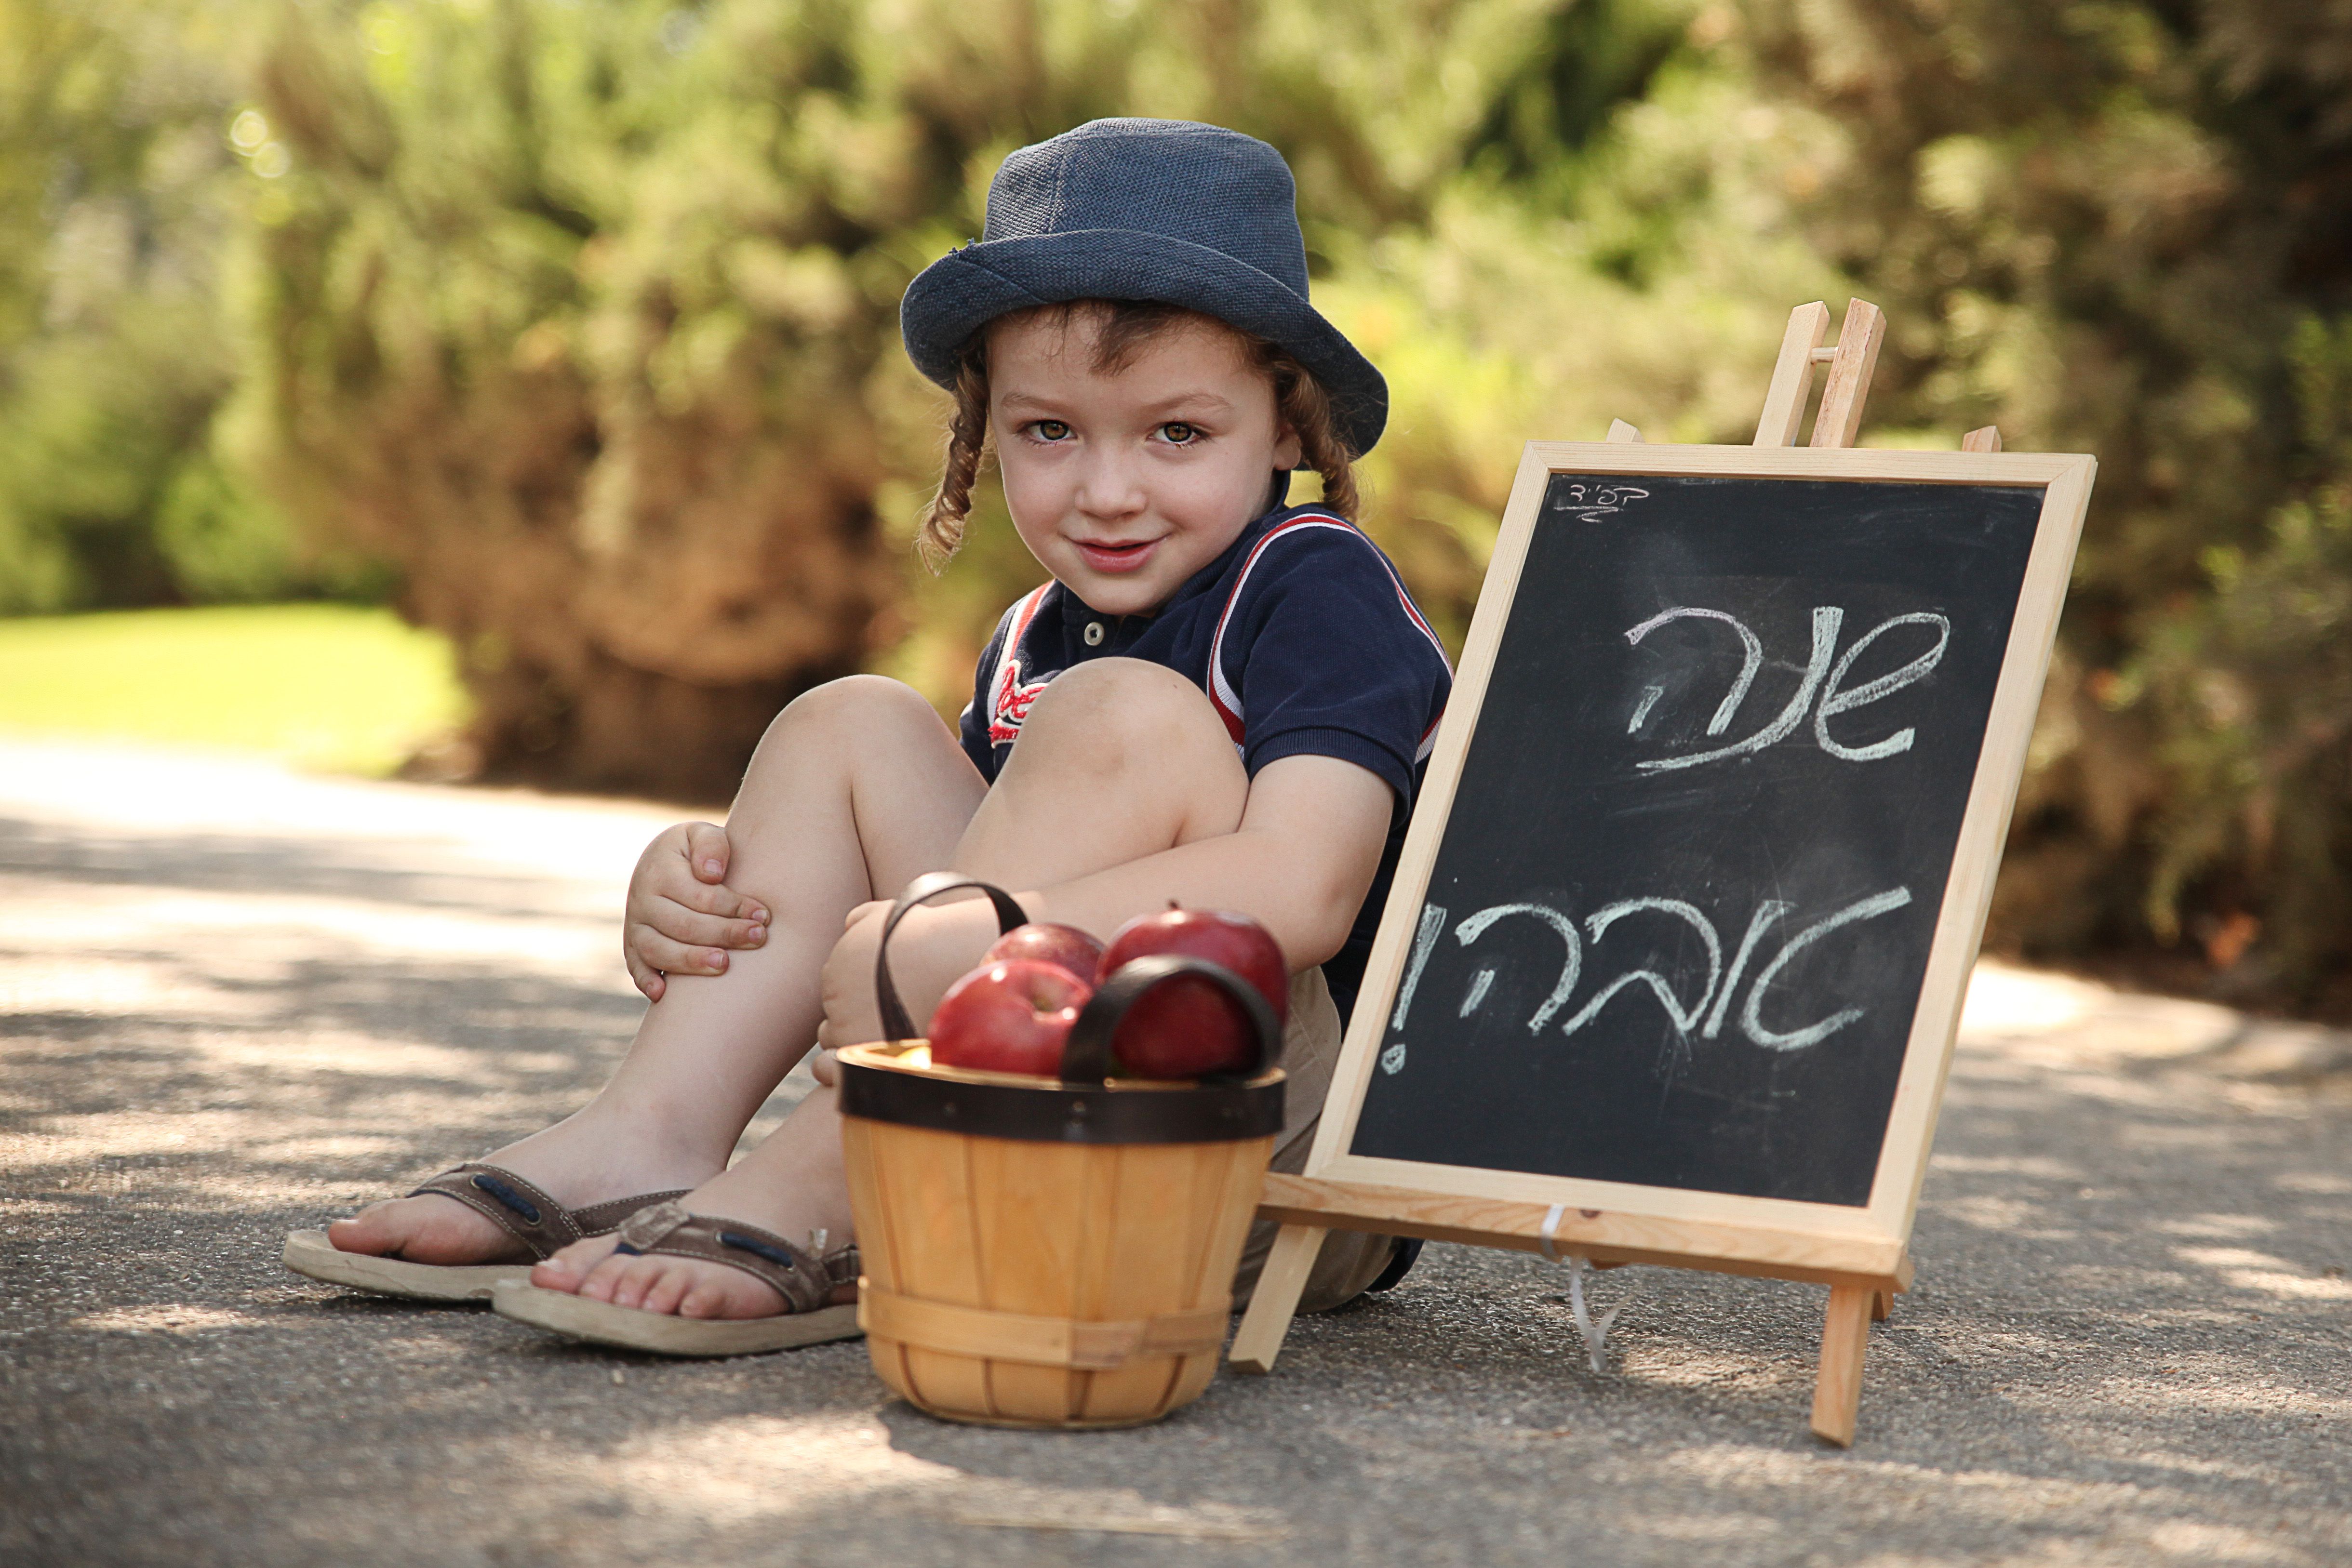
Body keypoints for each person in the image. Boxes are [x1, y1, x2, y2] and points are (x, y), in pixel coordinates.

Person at [282, 118, 1450, 1355]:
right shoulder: (1031, 643)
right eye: (1049, 432)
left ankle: (830, 1185)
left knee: (1122, 721)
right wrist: (701, 892)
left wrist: (992, 935)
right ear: (984, 430)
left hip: (1267, 1144)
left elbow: (1306, 886)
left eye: (1177, 433)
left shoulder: (1311, 579)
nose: (1108, 490)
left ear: (1284, 428)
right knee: (851, 721)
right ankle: (654, 1133)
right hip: (1056, 1108)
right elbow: (943, 891)